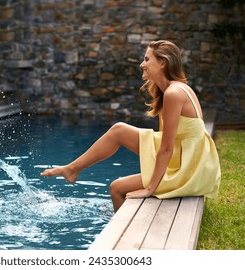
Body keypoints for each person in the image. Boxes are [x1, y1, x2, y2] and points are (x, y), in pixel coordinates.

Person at [41, 40, 221, 212]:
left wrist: (150, 188)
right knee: (119, 130)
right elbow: (165, 138)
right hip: (184, 154)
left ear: (162, 63)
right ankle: (72, 169)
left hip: (189, 167)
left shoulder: (174, 93)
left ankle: (122, 240)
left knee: (117, 188)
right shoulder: (172, 89)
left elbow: (166, 149)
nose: (142, 64)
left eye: (147, 59)